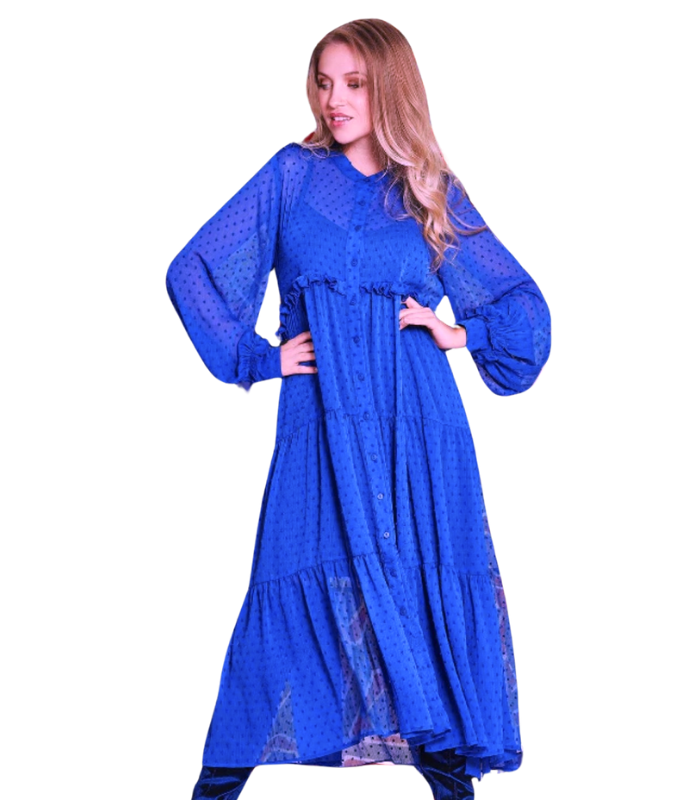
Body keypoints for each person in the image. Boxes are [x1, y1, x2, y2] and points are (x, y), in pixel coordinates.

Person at [166, 18, 551, 800]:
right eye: (323, 81)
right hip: (319, 436)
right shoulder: (291, 176)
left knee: (417, 612)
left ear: (390, 88)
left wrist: (462, 331)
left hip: (419, 439)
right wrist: (259, 358)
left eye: (354, 83)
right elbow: (192, 270)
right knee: (280, 621)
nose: (333, 100)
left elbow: (523, 310)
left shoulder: (428, 191)